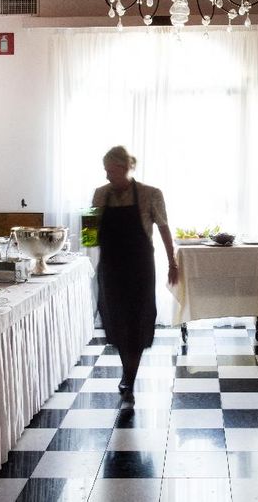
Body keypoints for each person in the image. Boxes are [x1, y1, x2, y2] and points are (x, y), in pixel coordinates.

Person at [92, 146, 178, 404]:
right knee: (116, 321)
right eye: (105, 171)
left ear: (125, 168)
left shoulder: (151, 194)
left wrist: (172, 263)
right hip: (110, 267)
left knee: (137, 321)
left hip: (139, 267)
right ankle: (128, 372)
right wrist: (88, 228)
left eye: (111, 170)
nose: (107, 176)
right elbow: (89, 234)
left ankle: (129, 375)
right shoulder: (100, 194)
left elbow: (163, 229)